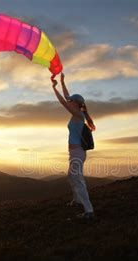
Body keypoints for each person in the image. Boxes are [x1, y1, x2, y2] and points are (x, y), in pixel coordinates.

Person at [51, 73, 96, 219]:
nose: (69, 101)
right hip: (75, 152)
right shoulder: (76, 114)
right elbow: (67, 98)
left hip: (78, 152)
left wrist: (54, 88)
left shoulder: (78, 115)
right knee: (71, 176)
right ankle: (77, 200)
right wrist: (62, 83)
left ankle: (89, 211)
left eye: (71, 101)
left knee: (77, 179)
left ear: (76, 104)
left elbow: (64, 102)